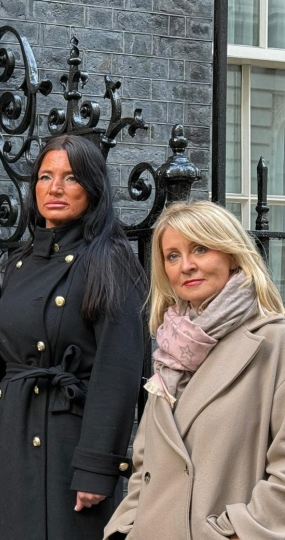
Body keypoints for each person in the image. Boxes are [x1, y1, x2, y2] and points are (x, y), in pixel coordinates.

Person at [0, 135, 146, 540]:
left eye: (70, 178)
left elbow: (119, 371)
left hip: (66, 444)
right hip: (12, 431)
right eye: (45, 177)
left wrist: (97, 466)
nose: (54, 188)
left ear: (92, 189)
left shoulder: (110, 260)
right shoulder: (18, 262)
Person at [104, 201, 285, 540]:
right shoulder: (173, 347)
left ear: (232, 254)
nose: (186, 266)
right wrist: (124, 528)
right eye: (172, 256)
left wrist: (234, 532)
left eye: (199, 248)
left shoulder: (274, 342)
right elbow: (146, 464)